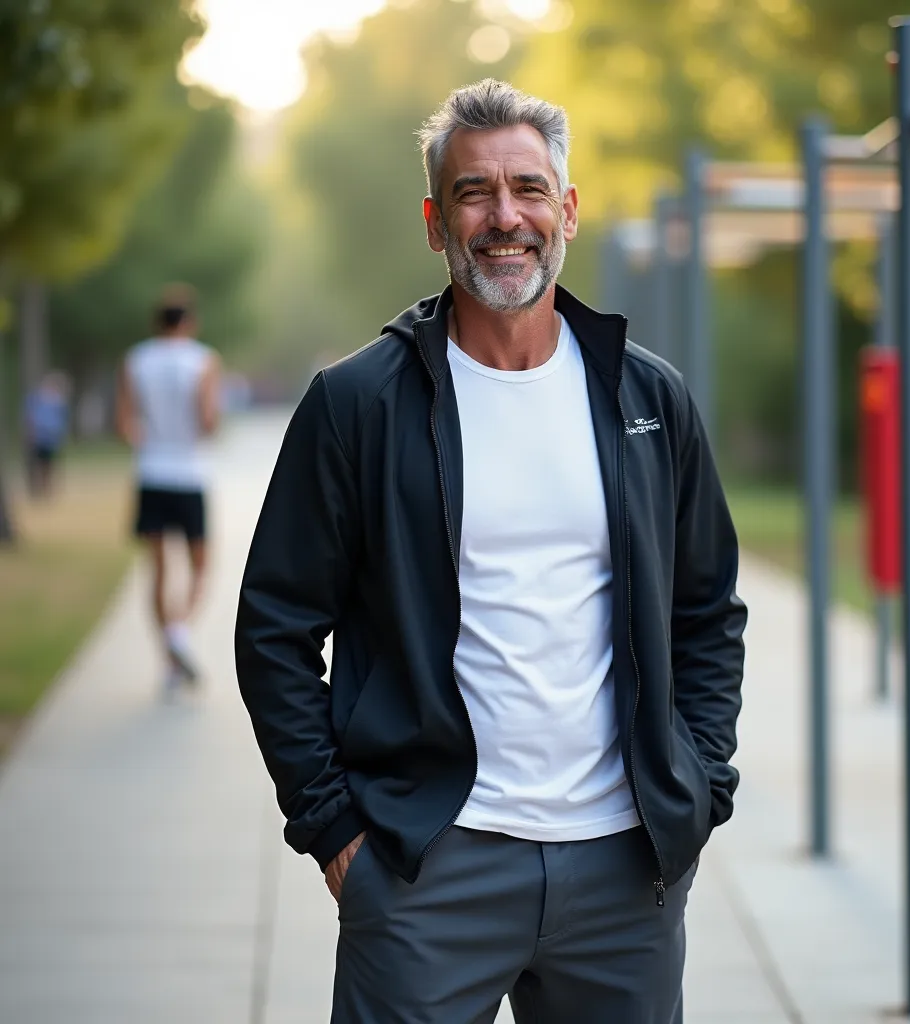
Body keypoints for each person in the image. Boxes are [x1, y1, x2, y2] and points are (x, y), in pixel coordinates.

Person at [236, 80, 747, 1023]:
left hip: (624, 874)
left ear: (568, 210)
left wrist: (699, 785)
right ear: (436, 222)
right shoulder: (357, 405)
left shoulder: (647, 399)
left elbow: (708, 606)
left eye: (528, 188)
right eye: (474, 193)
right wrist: (334, 826)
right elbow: (274, 627)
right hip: (428, 862)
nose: (504, 216)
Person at [117, 285, 221, 693]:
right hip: (189, 474)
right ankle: (178, 633)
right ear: (189, 322)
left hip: (151, 472)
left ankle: (168, 661)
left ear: (157, 322)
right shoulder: (203, 361)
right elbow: (208, 420)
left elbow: (124, 422)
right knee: (199, 567)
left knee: (159, 569)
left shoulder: (136, 359)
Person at [24, 371, 71, 498]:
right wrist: (31, 433)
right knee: (38, 464)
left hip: (51, 439)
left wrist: (61, 435)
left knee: (49, 465)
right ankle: (38, 489)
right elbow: (30, 418)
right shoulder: (35, 399)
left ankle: (48, 489)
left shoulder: (59, 401)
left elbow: (62, 420)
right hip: (39, 438)